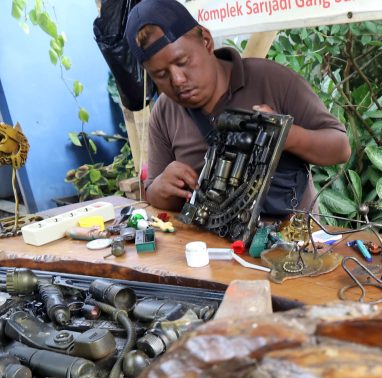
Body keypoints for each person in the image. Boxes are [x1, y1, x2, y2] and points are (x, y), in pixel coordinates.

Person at [125, 0, 351, 216]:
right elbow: (153, 191)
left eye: (183, 62)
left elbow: (340, 148)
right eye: (161, 75)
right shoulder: (165, 112)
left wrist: (285, 134)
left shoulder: (273, 80)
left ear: (206, 40)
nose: (177, 80)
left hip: (291, 243)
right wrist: (162, 189)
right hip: (213, 249)